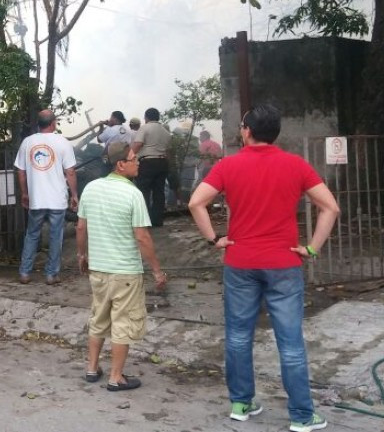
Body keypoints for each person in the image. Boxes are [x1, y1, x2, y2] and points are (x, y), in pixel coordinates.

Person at [187, 104, 340, 432]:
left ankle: (241, 402)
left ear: (246, 131)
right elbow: (330, 207)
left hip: (240, 262)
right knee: (290, 342)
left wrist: (215, 238)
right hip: (284, 264)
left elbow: (195, 202)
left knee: (239, 335)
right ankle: (301, 416)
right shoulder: (296, 165)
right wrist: (312, 247)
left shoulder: (229, 166)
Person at [76, 142, 167, 391]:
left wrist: (81, 255)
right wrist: (157, 270)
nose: (138, 162)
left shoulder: (91, 189)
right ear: (120, 164)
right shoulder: (133, 194)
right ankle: (116, 377)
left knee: (99, 318)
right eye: (134, 159)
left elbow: (81, 227)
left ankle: (92, 368)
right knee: (123, 323)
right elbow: (142, 237)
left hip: (99, 270)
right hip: (125, 271)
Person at [15, 109, 78, 285]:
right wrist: (74, 195)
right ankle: (51, 275)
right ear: (53, 123)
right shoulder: (62, 142)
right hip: (57, 199)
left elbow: (21, 172)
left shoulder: (28, 142)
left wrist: (25, 193)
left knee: (32, 235)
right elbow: (71, 171)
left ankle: (25, 273)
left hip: (36, 199)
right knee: (55, 235)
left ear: (39, 123)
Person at [130, 107, 171, 227]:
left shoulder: (145, 128)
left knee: (143, 191)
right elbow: (169, 150)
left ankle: (144, 221)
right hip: (162, 162)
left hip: (147, 162)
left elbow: (138, 144)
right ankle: (157, 221)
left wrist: (129, 157)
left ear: (146, 117)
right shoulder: (165, 131)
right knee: (159, 192)